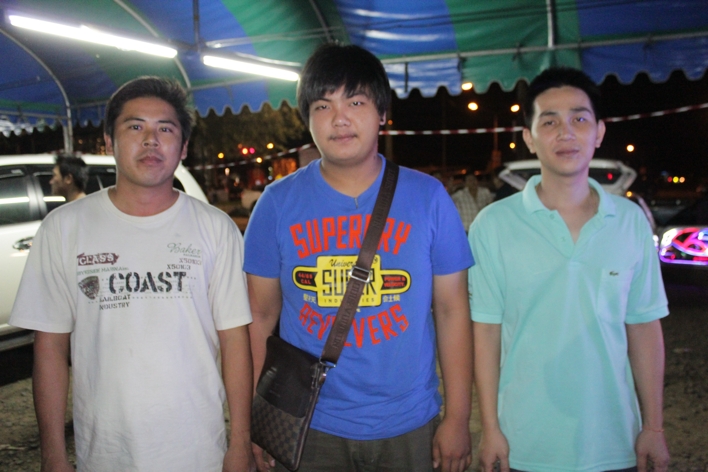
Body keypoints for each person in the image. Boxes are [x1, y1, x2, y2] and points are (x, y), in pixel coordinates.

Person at [244, 44, 474, 472]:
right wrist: (255, 420)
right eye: (323, 105)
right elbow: (259, 317)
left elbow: (452, 310)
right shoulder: (276, 203)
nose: (339, 118)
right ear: (308, 119)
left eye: (355, 102)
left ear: (382, 112)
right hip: (310, 424)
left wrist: (459, 418)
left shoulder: (428, 198)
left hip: (409, 423)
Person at [10, 77, 255, 472]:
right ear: (109, 142)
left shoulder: (216, 229)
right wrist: (52, 453)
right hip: (105, 452)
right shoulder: (64, 228)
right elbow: (50, 347)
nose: (151, 140)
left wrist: (240, 441)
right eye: (135, 126)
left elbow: (235, 340)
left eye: (166, 129)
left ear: (184, 147)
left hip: (198, 451)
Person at [468, 67, 670, 472]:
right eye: (549, 121)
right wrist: (490, 429)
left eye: (579, 119)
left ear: (599, 132)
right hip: (523, 444)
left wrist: (654, 427)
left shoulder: (629, 222)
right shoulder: (493, 225)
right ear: (528, 138)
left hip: (616, 442)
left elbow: (644, 327)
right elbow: (485, 332)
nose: (566, 132)